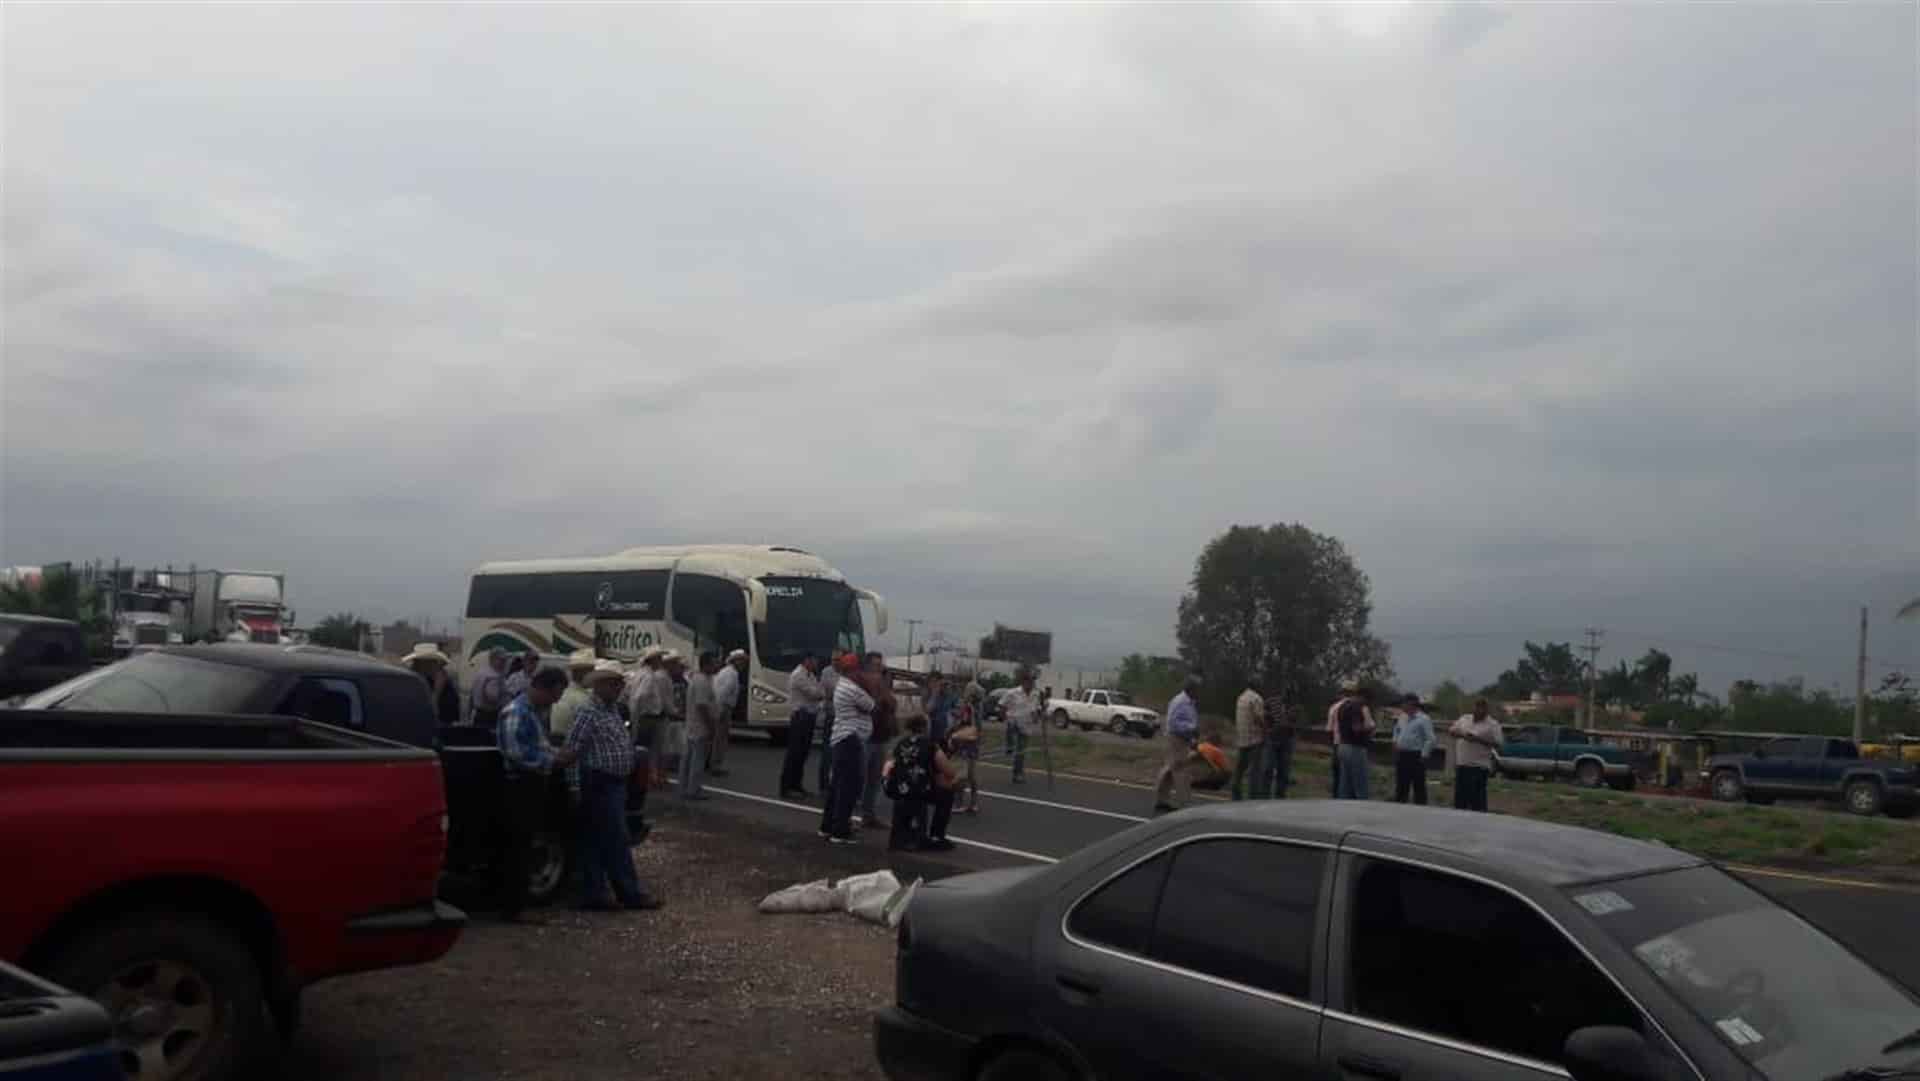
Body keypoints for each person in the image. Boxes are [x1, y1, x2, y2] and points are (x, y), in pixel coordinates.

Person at [565, 661, 661, 911]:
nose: (619, 688)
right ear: (600, 685)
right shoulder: (589, 712)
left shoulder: (612, 710)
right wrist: (574, 786)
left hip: (613, 782)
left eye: (619, 684)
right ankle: (628, 893)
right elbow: (573, 750)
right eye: (614, 684)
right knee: (615, 839)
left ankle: (597, 894)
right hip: (599, 781)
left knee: (598, 839)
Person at [494, 667, 576, 923]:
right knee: (517, 847)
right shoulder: (516, 712)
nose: (555, 701)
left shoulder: (531, 712)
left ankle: (517, 904)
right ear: (542, 688)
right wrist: (553, 761)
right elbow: (517, 753)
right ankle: (512, 908)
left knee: (526, 843)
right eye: (554, 695)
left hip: (531, 785)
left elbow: (538, 746)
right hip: (520, 786)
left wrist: (556, 753)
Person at [819, 651, 876, 845]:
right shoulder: (851, 688)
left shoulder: (842, 685)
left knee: (837, 785)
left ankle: (827, 826)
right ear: (852, 670)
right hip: (850, 739)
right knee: (848, 787)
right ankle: (840, 830)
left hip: (842, 738)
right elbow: (871, 705)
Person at [885, 711, 957, 852]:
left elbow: (889, 766)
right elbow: (950, 772)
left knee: (912, 791)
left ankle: (903, 833)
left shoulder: (900, 744)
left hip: (899, 789)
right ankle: (937, 836)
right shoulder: (930, 745)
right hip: (920, 790)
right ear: (924, 727)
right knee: (947, 793)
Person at [858, 654, 897, 828]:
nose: (880, 669)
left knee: (875, 778)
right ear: (867, 667)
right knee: (857, 776)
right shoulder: (861, 685)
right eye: (876, 665)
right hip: (865, 736)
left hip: (881, 736)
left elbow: (892, 705)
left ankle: (868, 814)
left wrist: (885, 689)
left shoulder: (883, 684)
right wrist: (881, 695)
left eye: (881, 665)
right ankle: (842, 817)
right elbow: (870, 706)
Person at [780, 652, 825, 800]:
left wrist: (820, 693)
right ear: (807, 660)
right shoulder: (798, 675)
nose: (816, 664)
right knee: (794, 753)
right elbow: (815, 694)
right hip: (800, 716)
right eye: (814, 661)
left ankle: (797, 785)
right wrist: (821, 693)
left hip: (809, 716)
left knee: (803, 753)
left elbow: (819, 692)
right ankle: (787, 787)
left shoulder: (810, 675)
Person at [1154, 676, 1201, 813]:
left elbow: (1187, 720)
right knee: (1181, 771)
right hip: (1176, 739)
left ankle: (1161, 800)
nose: (1199, 691)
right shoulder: (1180, 702)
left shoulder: (1189, 702)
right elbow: (1173, 723)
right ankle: (1185, 804)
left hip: (1182, 738)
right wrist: (1191, 728)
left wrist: (1192, 736)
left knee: (1170, 769)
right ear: (1191, 689)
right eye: (1197, 689)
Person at [1450, 698, 1504, 812]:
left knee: (1477, 801)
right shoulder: (1465, 718)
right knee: (1460, 800)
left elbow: (1499, 744)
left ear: (1486, 710)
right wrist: (1462, 735)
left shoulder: (1493, 724)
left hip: (1479, 767)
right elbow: (1452, 731)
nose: (1479, 711)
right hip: (1462, 764)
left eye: (1482, 708)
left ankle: (1478, 820)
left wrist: (1478, 739)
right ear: (1473, 708)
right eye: (1477, 707)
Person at [680, 652, 720, 801]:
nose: (716, 666)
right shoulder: (702, 681)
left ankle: (685, 787)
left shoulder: (698, 679)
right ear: (706, 665)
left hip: (693, 725)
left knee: (689, 758)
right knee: (697, 759)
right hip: (700, 726)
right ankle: (693, 789)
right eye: (714, 663)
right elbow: (702, 706)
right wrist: (711, 725)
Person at [1333, 681, 1376, 800]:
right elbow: (1356, 728)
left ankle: (1343, 808)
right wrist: (1370, 729)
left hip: (1342, 745)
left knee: (1345, 785)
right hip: (1355, 748)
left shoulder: (1342, 706)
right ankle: (1362, 809)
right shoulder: (1357, 707)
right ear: (1364, 697)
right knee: (1360, 785)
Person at [401, 642, 460, 726]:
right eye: (431, 662)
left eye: (434, 662)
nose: (434, 665)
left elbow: (452, 714)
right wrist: (436, 693)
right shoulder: (410, 683)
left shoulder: (444, 683)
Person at [999, 670, 1042, 783]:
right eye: (1028, 681)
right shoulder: (1012, 692)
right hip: (1013, 721)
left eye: (1032, 682)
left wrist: (1036, 717)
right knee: (1012, 734)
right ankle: (1009, 745)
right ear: (1023, 682)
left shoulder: (1035, 694)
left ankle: (1017, 773)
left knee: (1021, 751)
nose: (1031, 684)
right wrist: (1003, 717)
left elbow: (1035, 709)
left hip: (1026, 725)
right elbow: (1002, 704)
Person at [710, 649, 747, 778]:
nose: (743, 663)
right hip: (724, 707)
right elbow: (723, 693)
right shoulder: (732, 674)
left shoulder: (726, 671)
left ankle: (713, 763)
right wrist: (720, 710)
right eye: (741, 660)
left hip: (721, 706)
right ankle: (716, 765)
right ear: (735, 661)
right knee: (720, 738)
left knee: (717, 738)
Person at [1393, 693, 1435, 805]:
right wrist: (1395, 741)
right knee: (1401, 784)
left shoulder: (1424, 719)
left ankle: (1420, 808)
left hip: (1416, 755)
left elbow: (1430, 739)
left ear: (1411, 703)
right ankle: (1399, 805)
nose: (1402, 705)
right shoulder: (1402, 717)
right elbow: (1396, 730)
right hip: (1402, 754)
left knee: (1418, 785)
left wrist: (1424, 754)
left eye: (1404, 703)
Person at [1230, 680, 1269, 801]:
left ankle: (1235, 792)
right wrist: (1266, 730)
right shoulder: (1257, 698)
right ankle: (1253, 798)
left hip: (1242, 738)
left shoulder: (1241, 697)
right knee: (1255, 771)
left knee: (1240, 768)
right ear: (1256, 685)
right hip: (1254, 739)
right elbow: (1259, 718)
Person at [626, 646, 670, 752]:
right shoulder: (649, 676)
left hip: (641, 717)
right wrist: (635, 718)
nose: (661, 661)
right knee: (648, 751)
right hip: (647, 719)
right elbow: (639, 696)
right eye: (659, 658)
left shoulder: (639, 673)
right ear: (653, 660)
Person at [549, 648, 599, 742]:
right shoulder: (581, 700)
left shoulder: (568, 694)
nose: (595, 675)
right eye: (592, 671)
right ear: (580, 672)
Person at [946, 696, 982, 814]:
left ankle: (968, 803)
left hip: (967, 752)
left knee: (967, 777)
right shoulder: (958, 721)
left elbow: (972, 735)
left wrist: (955, 736)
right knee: (963, 777)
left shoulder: (971, 720)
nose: (958, 710)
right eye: (957, 707)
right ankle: (964, 802)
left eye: (960, 707)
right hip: (961, 751)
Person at [817, 652, 843, 798]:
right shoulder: (826, 672)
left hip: (844, 717)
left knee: (841, 753)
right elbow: (822, 693)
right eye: (833, 660)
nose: (835, 662)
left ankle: (837, 784)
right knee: (827, 752)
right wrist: (835, 695)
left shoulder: (847, 672)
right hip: (831, 715)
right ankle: (824, 785)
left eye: (838, 660)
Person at [1263, 696, 1296, 799]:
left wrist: (1291, 726)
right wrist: (1268, 728)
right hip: (1272, 739)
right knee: (1268, 768)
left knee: (1284, 770)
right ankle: (1264, 795)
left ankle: (1280, 796)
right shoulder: (1271, 701)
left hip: (1286, 740)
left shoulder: (1294, 706)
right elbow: (1264, 715)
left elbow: (1295, 724)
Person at [469, 647, 509, 729]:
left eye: (505, 660)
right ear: (492, 659)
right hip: (489, 716)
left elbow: (472, 695)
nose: (504, 663)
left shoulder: (481, 672)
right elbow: (492, 698)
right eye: (501, 660)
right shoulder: (493, 676)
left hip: (478, 714)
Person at [924, 671, 955, 746]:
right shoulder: (926, 696)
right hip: (932, 734)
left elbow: (957, 709)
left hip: (948, 733)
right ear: (928, 684)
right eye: (932, 682)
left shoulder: (949, 695)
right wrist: (935, 694)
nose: (935, 684)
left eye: (937, 681)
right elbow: (927, 710)